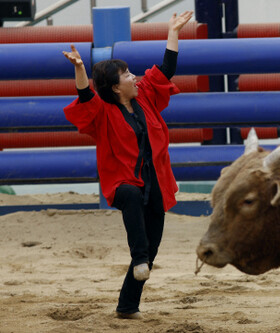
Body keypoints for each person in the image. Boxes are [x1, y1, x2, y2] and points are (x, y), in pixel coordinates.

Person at [62, 10, 193, 320]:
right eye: (127, 75)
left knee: (152, 247)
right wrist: (81, 67)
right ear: (115, 88)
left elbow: (166, 69)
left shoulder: (144, 96)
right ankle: (139, 257)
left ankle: (127, 306)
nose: (134, 76)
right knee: (134, 207)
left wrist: (173, 31)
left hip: (155, 181)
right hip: (121, 183)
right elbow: (84, 95)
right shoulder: (101, 111)